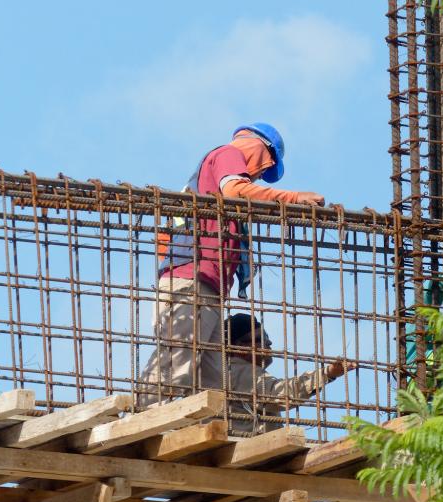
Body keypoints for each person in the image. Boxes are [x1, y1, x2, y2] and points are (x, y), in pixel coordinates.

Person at [138, 123, 325, 407]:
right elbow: (236, 190)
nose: (260, 175)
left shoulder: (206, 181)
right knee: (178, 359)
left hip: (205, 283)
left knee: (213, 379)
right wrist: (294, 198)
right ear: (262, 150)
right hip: (192, 277)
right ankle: (146, 416)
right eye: (266, 168)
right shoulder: (228, 154)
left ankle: (212, 424)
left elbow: (167, 238)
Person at [200, 313, 356, 434]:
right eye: (261, 338)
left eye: (267, 337)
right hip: (246, 444)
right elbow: (278, 395)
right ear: (239, 347)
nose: (269, 343)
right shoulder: (237, 370)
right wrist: (326, 373)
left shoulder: (220, 371)